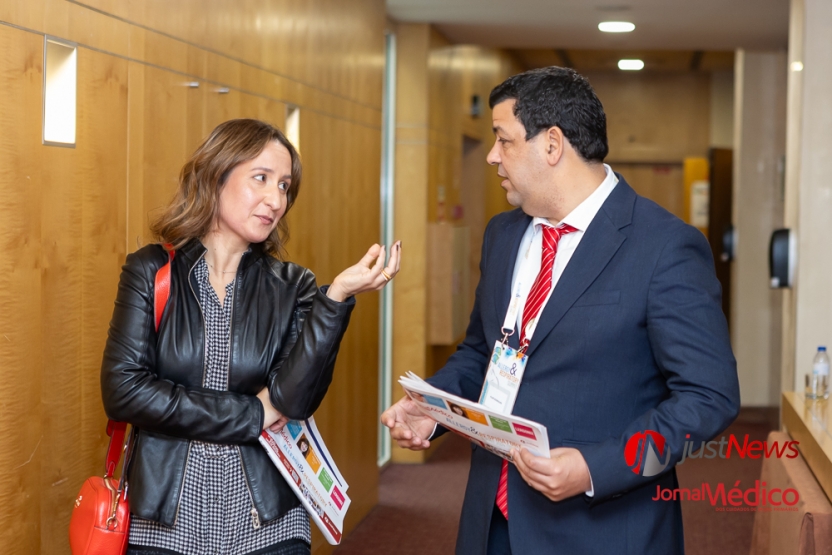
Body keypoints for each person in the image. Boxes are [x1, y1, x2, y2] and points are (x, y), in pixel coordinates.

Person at [382, 67, 739, 554]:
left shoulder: (664, 247)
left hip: (600, 527)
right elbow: (483, 352)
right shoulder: (503, 234)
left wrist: (596, 468)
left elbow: (709, 397)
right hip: (492, 515)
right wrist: (433, 406)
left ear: (552, 144)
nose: (491, 156)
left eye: (503, 140)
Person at [101, 118, 401, 555]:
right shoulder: (151, 271)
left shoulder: (294, 286)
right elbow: (124, 391)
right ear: (216, 175)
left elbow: (294, 401)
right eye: (260, 178)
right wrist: (253, 413)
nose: (275, 200)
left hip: (268, 525)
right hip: (164, 527)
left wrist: (334, 298)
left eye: (284, 186)